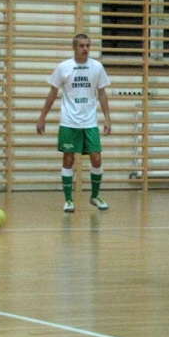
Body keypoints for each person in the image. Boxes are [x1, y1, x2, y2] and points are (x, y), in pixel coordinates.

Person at [36, 33, 111, 212]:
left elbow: (102, 94)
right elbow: (52, 93)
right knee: (68, 159)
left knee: (96, 158)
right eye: (82, 46)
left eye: (88, 46)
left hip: (90, 121)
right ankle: (68, 200)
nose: (85, 49)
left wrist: (107, 117)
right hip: (69, 121)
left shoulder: (97, 67)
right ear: (74, 47)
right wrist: (42, 117)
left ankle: (95, 196)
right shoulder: (64, 67)